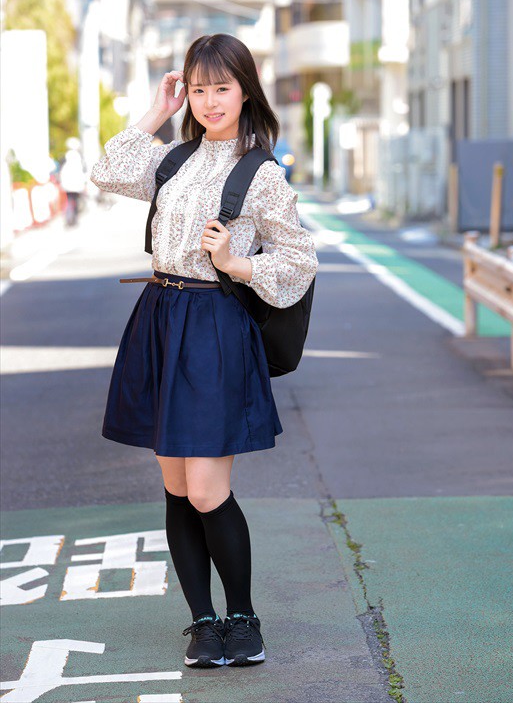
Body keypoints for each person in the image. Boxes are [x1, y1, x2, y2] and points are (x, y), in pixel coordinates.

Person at [90, 33, 319, 669]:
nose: (210, 100)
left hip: (214, 327)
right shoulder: (174, 158)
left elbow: (299, 260)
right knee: (174, 486)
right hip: (160, 320)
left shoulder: (261, 172)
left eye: (222, 87)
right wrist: (156, 111)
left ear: (246, 91)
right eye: (198, 89)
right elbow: (107, 170)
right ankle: (202, 621)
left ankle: (243, 618)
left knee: (206, 489)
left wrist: (237, 263)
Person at [59, 144, 86, 226]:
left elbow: (61, 172)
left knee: (69, 200)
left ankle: (68, 217)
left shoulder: (65, 161)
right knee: (76, 200)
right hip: (77, 186)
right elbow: (83, 174)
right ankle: (74, 217)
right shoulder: (79, 161)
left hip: (67, 185)